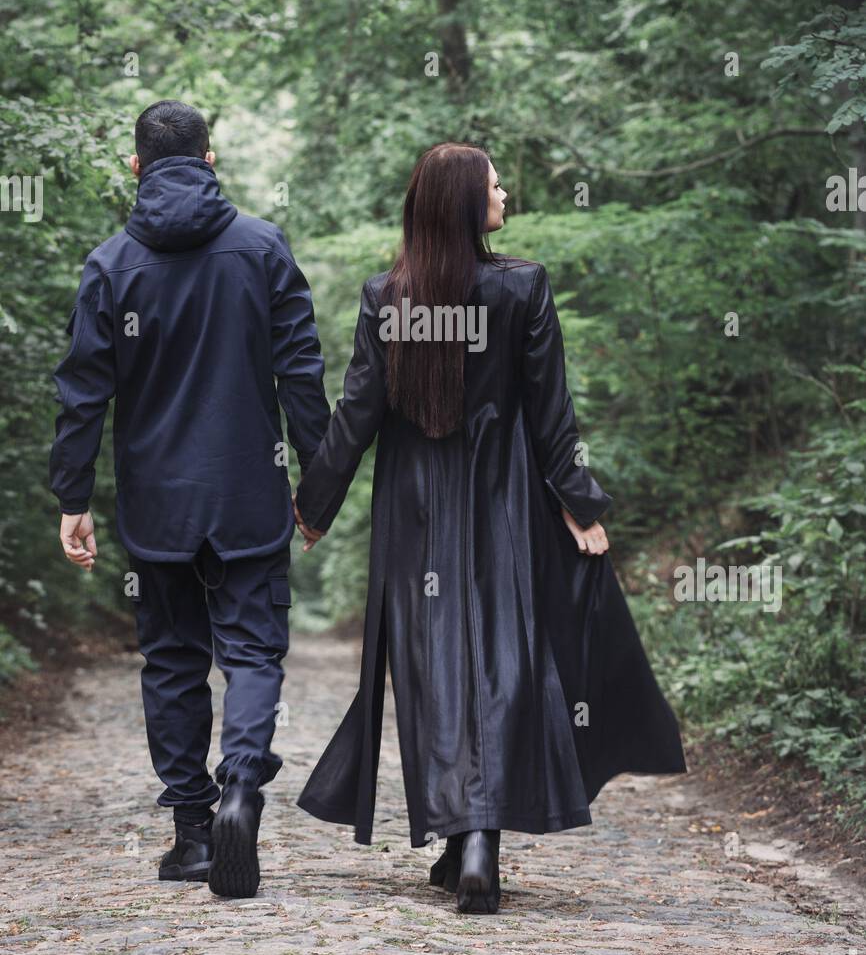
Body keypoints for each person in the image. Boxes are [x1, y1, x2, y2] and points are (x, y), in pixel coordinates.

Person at [293, 142, 687, 914]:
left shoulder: (386, 296)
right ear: (465, 204)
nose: (506, 192)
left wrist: (315, 503)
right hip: (503, 503)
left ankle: (462, 835)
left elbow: (358, 415)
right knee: (500, 665)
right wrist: (579, 502)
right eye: (495, 184)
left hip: (414, 513)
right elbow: (550, 412)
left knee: (433, 672)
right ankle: (477, 841)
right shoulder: (521, 287)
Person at [49, 100, 330, 899]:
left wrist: (74, 496)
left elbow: (81, 395)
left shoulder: (111, 265)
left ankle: (194, 836)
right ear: (211, 158)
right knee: (251, 653)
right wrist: (320, 482)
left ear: (136, 168)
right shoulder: (262, 248)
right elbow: (302, 377)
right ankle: (243, 786)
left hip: (157, 503)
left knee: (173, 662)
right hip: (248, 492)